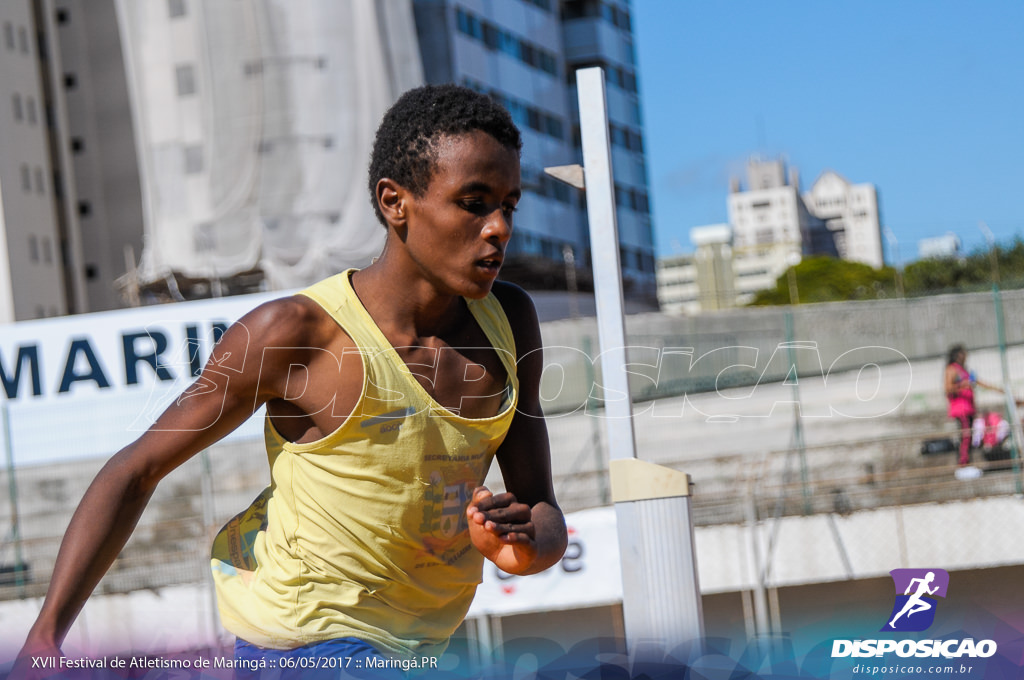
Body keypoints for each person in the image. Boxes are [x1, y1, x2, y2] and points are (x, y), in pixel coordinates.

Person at [17, 84, 567, 675]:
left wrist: (521, 545)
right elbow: (135, 470)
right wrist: (45, 638)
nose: (499, 228)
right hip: (307, 641)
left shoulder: (510, 320)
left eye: (509, 204)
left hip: (421, 650)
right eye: (474, 202)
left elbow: (542, 514)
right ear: (394, 201)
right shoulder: (295, 333)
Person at [944, 344, 1001, 478]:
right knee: (966, 436)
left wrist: (998, 390)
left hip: (969, 408)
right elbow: (947, 388)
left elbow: (978, 382)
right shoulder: (951, 369)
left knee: (969, 437)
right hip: (961, 409)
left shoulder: (963, 370)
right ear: (958, 355)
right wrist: (963, 385)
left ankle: (967, 464)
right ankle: (963, 465)